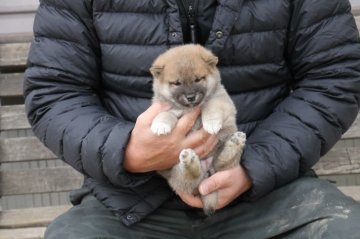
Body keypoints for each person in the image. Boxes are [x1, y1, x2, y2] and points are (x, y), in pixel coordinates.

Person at [24, 0, 360, 238]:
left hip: (271, 194)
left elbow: (334, 77)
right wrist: (127, 151)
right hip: (130, 204)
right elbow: (55, 92)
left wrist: (253, 167)